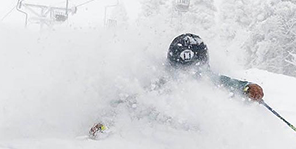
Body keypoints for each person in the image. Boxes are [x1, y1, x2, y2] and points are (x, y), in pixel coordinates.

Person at [88, 33, 264, 139]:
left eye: (194, 71)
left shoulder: (208, 81)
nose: (187, 76)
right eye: (181, 70)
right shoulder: (160, 87)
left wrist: (247, 87)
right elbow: (131, 104)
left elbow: (228, 84)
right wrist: (105, 122)